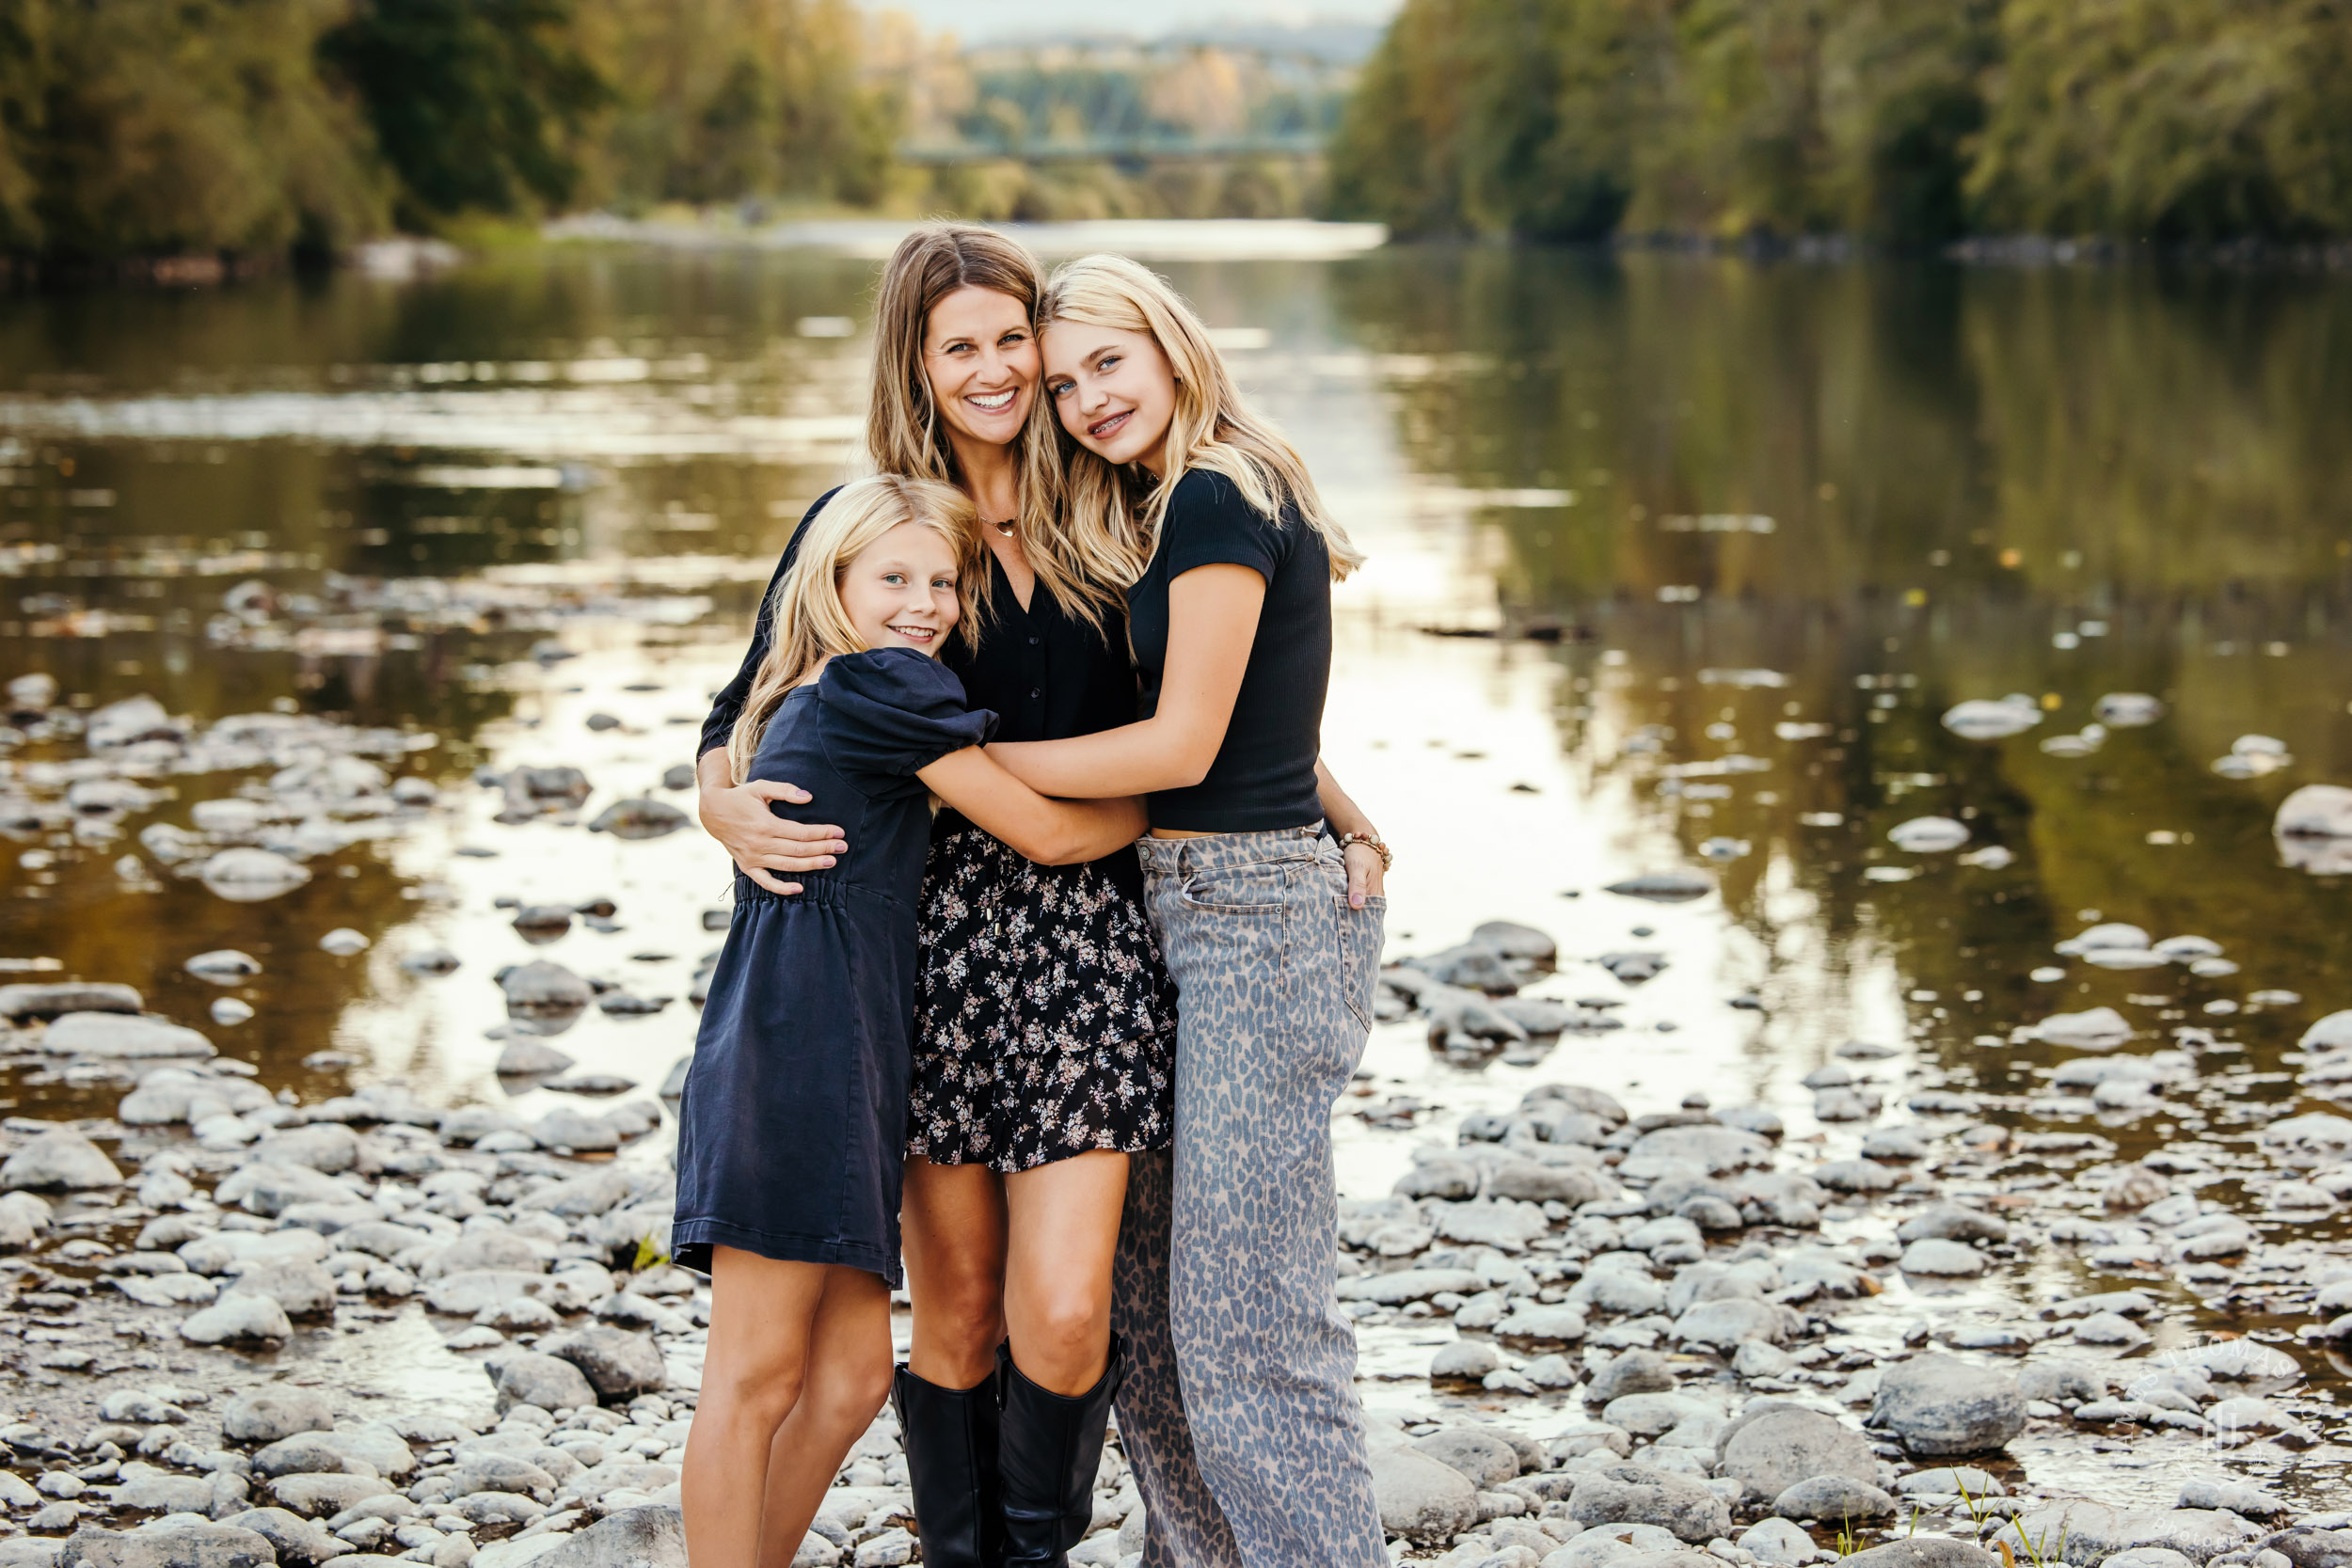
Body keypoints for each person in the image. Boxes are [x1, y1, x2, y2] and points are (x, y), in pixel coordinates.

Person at [696, 223, 1179, 1568]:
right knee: (955, 1310)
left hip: (1086, 939)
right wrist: (717, 804)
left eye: (1013, 340)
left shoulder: (1116, 509)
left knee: (1064, 1312)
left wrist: (1313, 811)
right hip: (927, 945)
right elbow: (745, 709)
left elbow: (1213, 697)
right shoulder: (873, 530)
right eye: (958, 347)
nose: (994, 371)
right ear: (913, 363)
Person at [988, 253, 1393, 1568]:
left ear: (1170, 345)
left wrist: (964, 761)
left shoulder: (1218, 490)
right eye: (1062, 385)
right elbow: (1266, 714)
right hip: (1175, 909)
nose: (1087, 400)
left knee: (1249, 1322)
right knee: (1153, 1314)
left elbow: (1182, 744)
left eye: (1108, 362)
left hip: (1255, 924)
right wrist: (1348, 808)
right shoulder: (1166, 502)